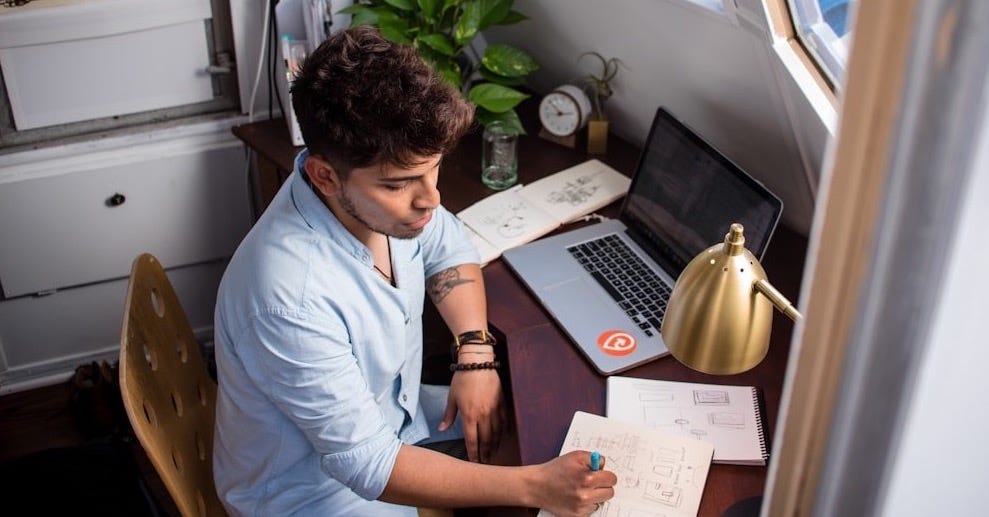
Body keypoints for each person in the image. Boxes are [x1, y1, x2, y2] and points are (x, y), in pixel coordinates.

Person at [212, 25, 616, 516]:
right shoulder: (288, 298)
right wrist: (535, 488)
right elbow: (370, 466)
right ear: (324, 175)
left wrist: (475, 353)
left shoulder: (381, 202)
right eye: (401, 183)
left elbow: (447, 243)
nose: (432, 198)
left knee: (534, 433)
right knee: (532, 483)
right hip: (313, 494)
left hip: (394, 417)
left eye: (434, 168)